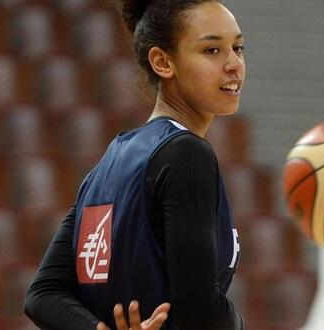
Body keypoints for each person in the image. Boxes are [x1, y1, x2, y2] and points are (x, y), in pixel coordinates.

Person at [23, 0, 246, 329]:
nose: (234, 64)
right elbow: (200, 309)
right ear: (162, 62)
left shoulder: (110, 160)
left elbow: (43, 295)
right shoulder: (186, 154)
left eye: (238, 47)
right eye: (212, 50)